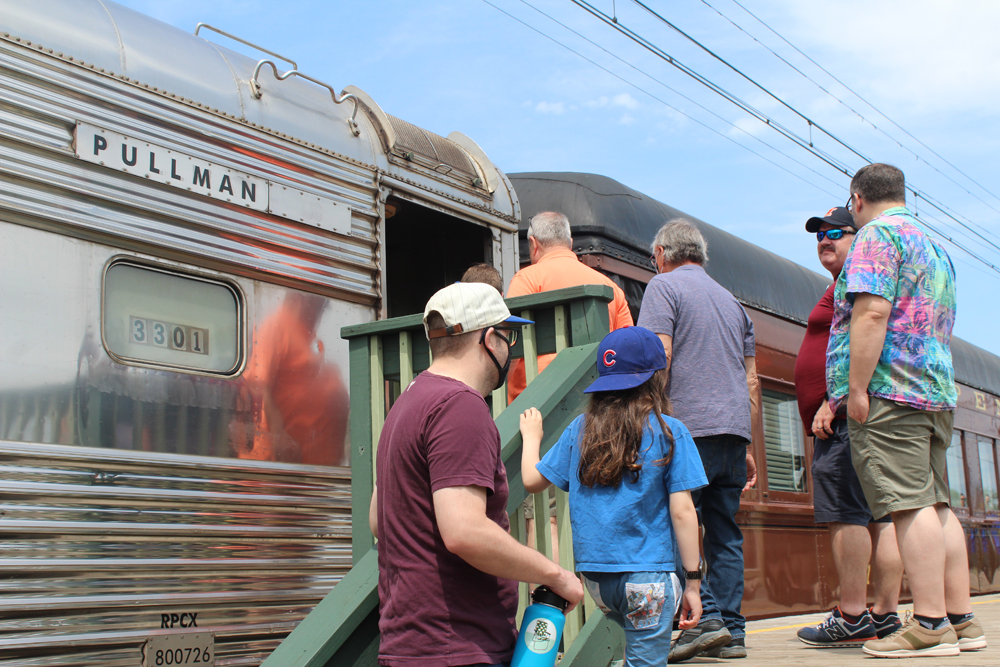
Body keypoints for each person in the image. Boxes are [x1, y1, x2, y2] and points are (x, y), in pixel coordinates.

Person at [369, 281, 584, 667]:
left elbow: (377, 518)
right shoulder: (460, 407)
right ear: (489, 338)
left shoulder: (406, 404)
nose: (510, 349)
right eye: (508, 336)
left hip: (409, 643)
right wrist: (555, 575)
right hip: (457, 646)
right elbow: (465, 531)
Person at [828, 163, 985, 658]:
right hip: (934, 392)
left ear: (857, 200)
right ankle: (962, 620)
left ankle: (929, 625)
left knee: (907, 505)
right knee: (937, 506)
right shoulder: (933, 246)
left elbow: (872, 311)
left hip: (891, 392)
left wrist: (856, 389)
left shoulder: (876, 237)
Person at [520, 326, 712, 667]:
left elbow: (532, 480)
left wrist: (531, 437)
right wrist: (694, 583)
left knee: (632, 653)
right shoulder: (670, 431)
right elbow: (683, 512)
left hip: (597, 581)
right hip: (647, 578)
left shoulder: (580, 428)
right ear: (657, 378)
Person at [636, 219, 760, 661]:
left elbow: (660, 354)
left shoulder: (663, 288)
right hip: (731, 431)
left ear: (662, 254)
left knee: (671, 519)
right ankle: (733, 631)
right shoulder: (733, 302)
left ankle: (704, 619)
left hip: (687, 428)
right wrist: (745, 443)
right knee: (724, 533)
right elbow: (751, 379)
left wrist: (653, 417)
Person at [794, 207, 903, 647]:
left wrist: (833, 400)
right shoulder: (844, 282)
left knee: (847, 513)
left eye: (836, 232)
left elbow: (861, 337)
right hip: (849, 414)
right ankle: (886, 614)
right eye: (819, 234)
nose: (825, 239)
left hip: (843, 418)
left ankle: (854, 615)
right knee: (882, 516)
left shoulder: (858, 280)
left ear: (860, 236)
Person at [506, 211, 633, 403]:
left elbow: (510, 342)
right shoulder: (611, 288)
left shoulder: (526, 280)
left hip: (534, 402)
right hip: (596, 400)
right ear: (570, 243)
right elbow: (626, 348)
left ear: (533, 244)